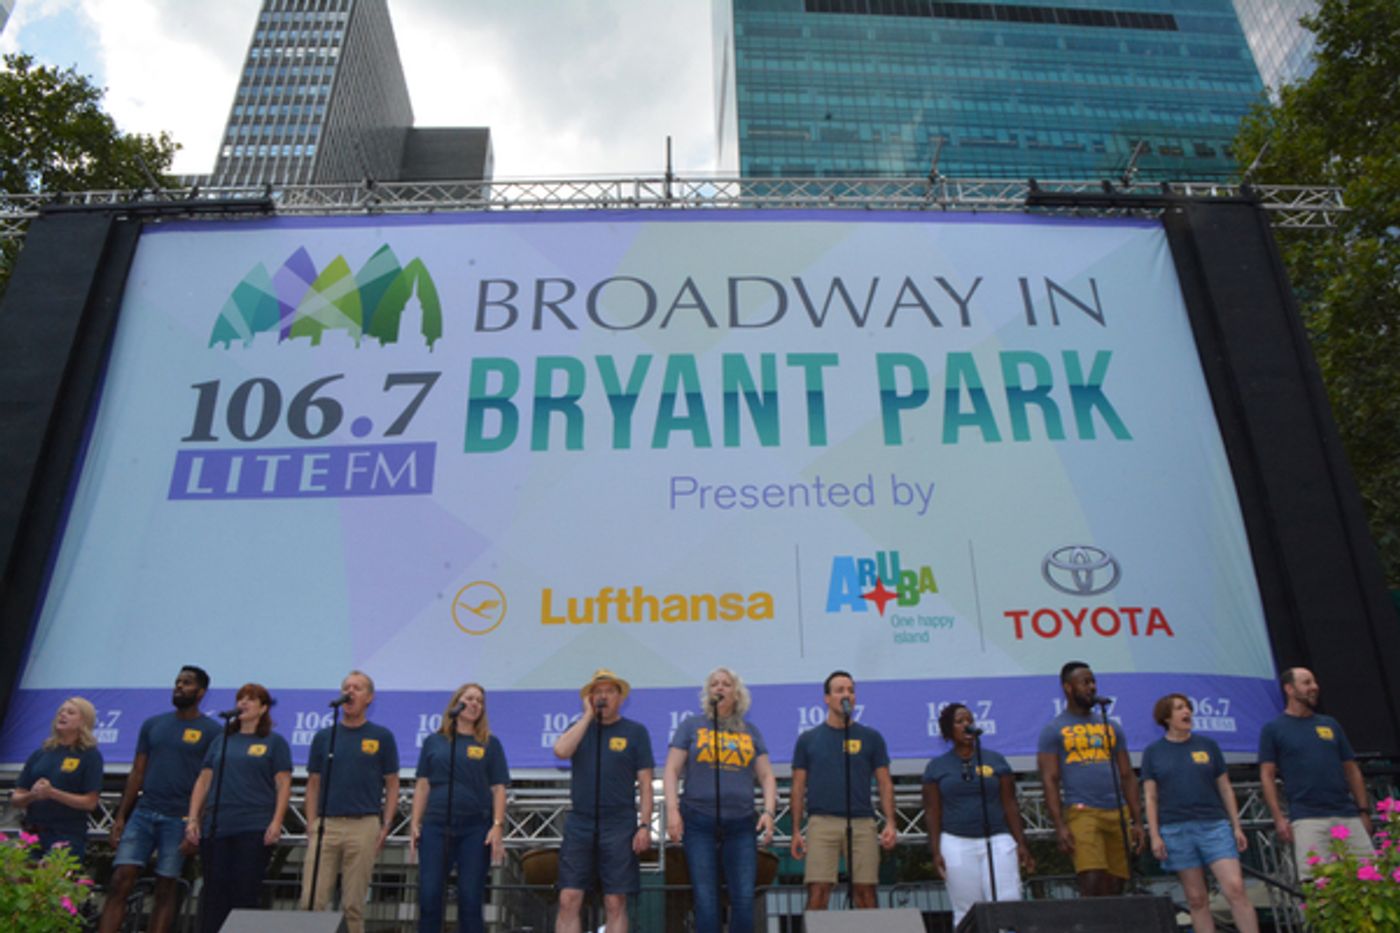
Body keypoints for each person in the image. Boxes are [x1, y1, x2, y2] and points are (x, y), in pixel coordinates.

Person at [100, 665, 220, 933]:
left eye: (187, 683)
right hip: (143, 813)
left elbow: (209, 783)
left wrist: (196, 825)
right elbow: (137, 772)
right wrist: (121, 816)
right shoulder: (153, 724)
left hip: (180, 819)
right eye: (177, 681)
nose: (179, 686)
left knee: (166, 889)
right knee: (120, 880)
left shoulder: (212, 731)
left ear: (201, 692)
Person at [663, 667, 778, 933]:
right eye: (714, 684)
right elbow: (671, 770)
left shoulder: (750, 731)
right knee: (705, 899)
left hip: (741, 823)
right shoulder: (691, 726)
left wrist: (769, 812)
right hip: (698, 821)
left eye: (726, 684)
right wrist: (672, 811)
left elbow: (767, 776)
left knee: (744, 897)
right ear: (708, 692)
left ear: (736, 694)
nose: (720, 688)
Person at [1143, 693, 1258, 933]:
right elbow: (1151, 797)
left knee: (1235, 888)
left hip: (1214, 825)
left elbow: (1225, 788)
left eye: (1188, 707)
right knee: (1196, 898)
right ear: (1166, 717)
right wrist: (1154, 835)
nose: (1187, 712)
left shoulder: (1207, 746)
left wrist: (1236, 826)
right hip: (1175, 829)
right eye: (1179, 708)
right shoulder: (1154, 752)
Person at [184, 683, 292, 933]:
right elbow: (203, 781)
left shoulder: (274, 742)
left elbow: (283, 784)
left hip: (253, 826)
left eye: (250, 699)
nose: (243, 703)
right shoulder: (221, 740)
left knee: (245, 891)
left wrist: (277, 821)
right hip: (217, 827)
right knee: (214, 893)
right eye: (240, 698)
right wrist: (193, 819)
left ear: (263, 708)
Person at [553, 669, 655, 933]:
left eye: (609, 691)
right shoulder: (579, 729)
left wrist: (644, 825)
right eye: (597, 692)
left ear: (620, 698)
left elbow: (646, 783)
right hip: (580, 821)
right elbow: (561, 751)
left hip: (619, 822)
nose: (603, 696)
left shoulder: (635, 732)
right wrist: (588, 716)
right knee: (568, 898)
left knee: (615, 900)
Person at [301, 670, 401, 933]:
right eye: (346, 687)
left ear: (369, 697)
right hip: (326, 825)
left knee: (353, 905)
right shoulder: (325, 736)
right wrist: (311, 823)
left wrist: (385, 824)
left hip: (363, 824)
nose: (350, 692)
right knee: (311, 900)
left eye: (357, 688)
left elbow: (392, 783)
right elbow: (313, 783)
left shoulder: (382, 736)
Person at [789, 670, 897, 910]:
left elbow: (885, 782)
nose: (846, 694)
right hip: (821, 822)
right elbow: (797, 787)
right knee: (818, 892)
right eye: (839, 690)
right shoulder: (808, 739)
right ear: (827, 698)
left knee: (866, 894)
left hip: (862, 822)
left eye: (851, 690)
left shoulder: (871, 737)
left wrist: (890, 822)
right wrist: (796, 830)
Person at [921, 703, 1034, 928]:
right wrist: (935, 851)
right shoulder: (937, 767)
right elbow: (932, 811)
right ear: (948, 730)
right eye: (959, 721)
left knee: (1006, 904)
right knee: (966, 909)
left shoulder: (995, 760)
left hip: (998, 839)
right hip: (956, 842)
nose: (966, 725)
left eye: (969, 720)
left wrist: (1021, 843)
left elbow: (1010, 804)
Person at [1037, 661, 1143, 896]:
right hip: (1082, 811)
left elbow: (1127, 775)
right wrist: (1059, 825)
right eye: (1084, 682)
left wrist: (1137, 821)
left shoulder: (1111, 726)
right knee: (1092, 879)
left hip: (1118, 812)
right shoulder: (1054, 729)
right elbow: (1050, 779)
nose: (1092, 687)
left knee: (1117, 884)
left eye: (1093, 682)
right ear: (1068, 688)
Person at [410, 683, 509, 933]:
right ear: (456, 703)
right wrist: (415, 823)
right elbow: (422, 784)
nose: (475, 704)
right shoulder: (434, 741)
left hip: (475, 828)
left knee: (470, 898)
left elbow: (499, 788)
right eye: (470, 698)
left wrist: (497, 826)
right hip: (436, 826)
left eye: (480, 701)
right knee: (429, 895)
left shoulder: (490, 744)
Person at [1258, 666, 1373, 879]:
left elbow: (1352, 769)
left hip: (1347, 814)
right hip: (1307, 818)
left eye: (1314, 682)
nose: (1314, 687)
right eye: (1307, 683)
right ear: (1289, 689)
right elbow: (1267, 775)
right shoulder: (1274, 729)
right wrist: (1278, 818)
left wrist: (1363, 811)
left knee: (1369, 880)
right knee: (1318, 884)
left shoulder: (1330, 724)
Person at [12, 696, 104, 858]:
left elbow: (90, 802)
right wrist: (33, 795)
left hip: (66, 835)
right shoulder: (41, 754)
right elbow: (16, 798)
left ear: (83, 722)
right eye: (61, 711)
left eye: (70, 712)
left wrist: (52, 793)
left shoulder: (90, 756)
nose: (63, 715)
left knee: (52, 872)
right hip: (33, 833)